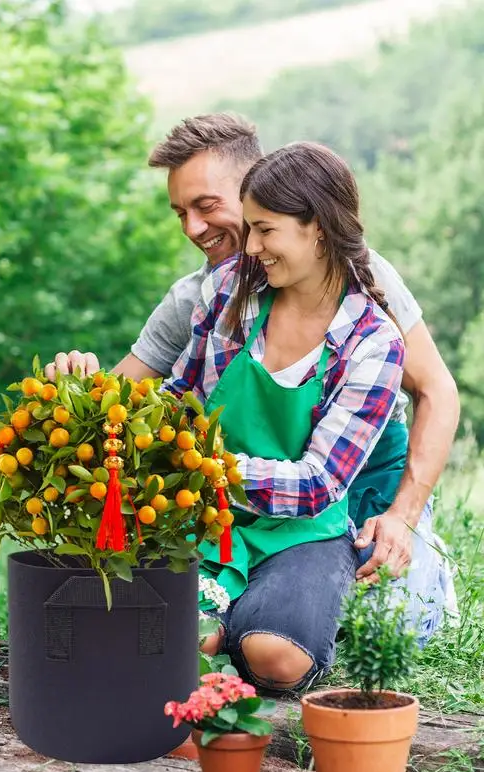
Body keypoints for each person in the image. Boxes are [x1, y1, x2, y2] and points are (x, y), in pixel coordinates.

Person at [46, 114, 458, 646]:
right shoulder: (207, 293)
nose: (193, 228)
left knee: (378, 632)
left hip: (362, 483)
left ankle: (422, 565)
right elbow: (130, 398)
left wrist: (402, 516)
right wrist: (77, 390)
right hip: (242, 493)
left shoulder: (361, 281)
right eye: (180, 213)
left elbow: (438, 392)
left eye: (207, 206)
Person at [171, 141, 407, 689]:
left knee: (276, 655)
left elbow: (321, 484)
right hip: (209, 516)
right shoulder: (233, 292)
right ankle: (226, 616)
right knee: (184, 642)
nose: (250, 246)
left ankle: (264, 614)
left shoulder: (371, 343)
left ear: (318, 228)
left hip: (303, 531)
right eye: (249, 228)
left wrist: (211, 471)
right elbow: (180, 393)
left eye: (265, 230)